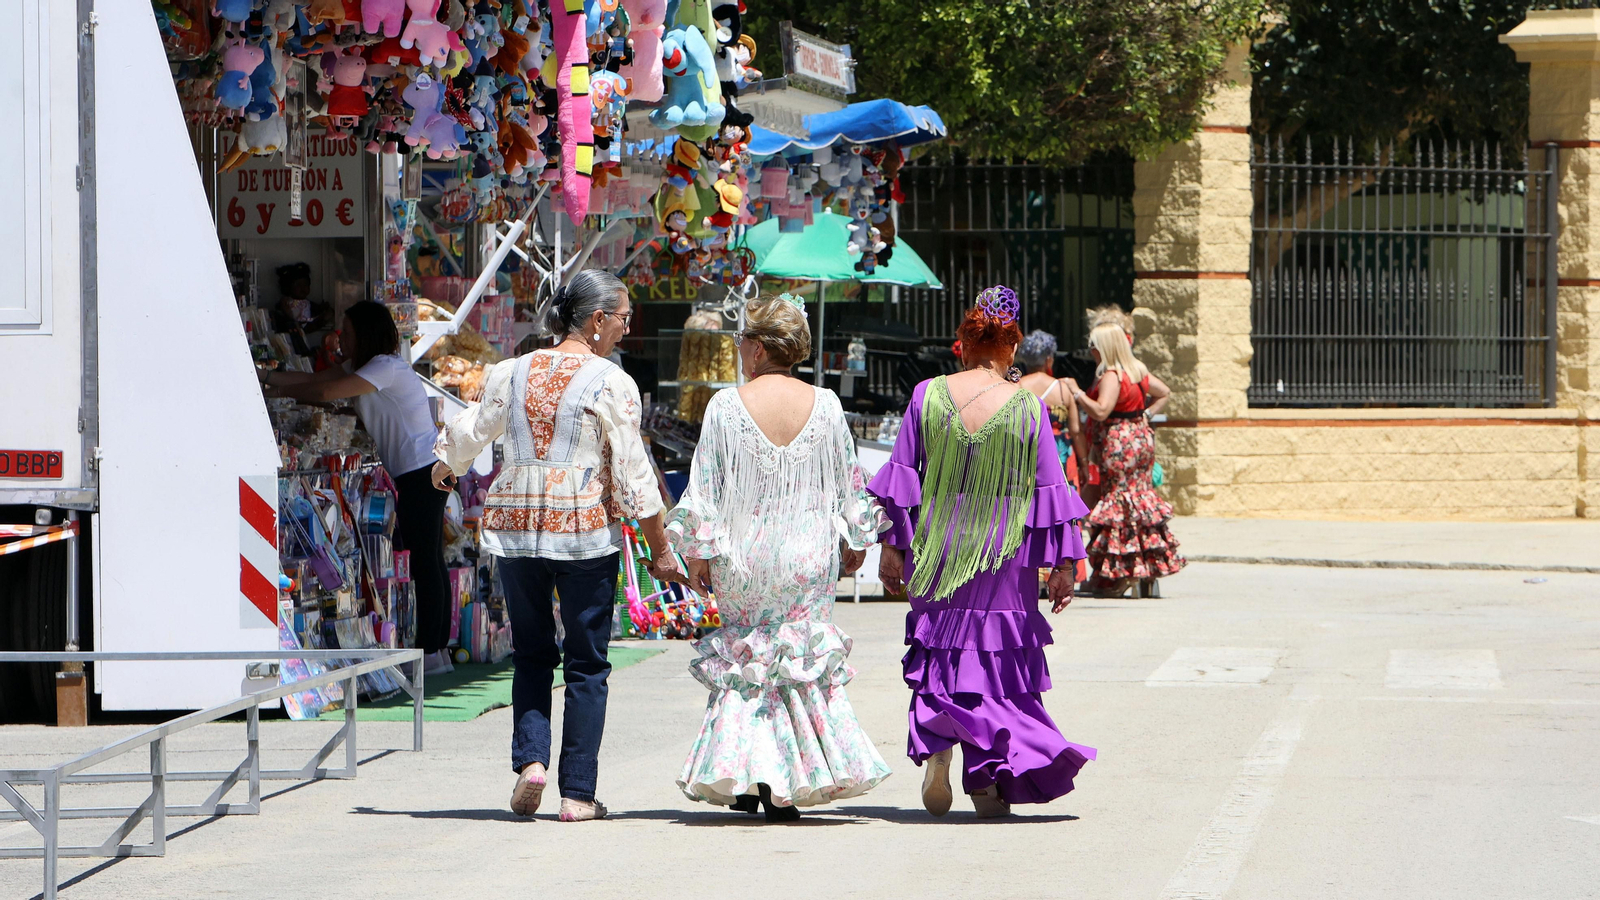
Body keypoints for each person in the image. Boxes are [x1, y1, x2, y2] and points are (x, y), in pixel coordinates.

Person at [432, 270, 683, 823]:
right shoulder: (610, 381)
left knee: (532, 652)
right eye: (621, 318)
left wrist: (445, 465)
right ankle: (576, 793)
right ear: (596, 321)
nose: (624, 328)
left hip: (516, 527)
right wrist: (659, 546)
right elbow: (634, 470)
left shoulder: (512, 370)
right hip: (584, 530)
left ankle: (531, 763)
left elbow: (474, 427)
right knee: (587, 664)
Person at [869, 285, 1096, 819]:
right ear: (1012, 348)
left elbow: (902, 480)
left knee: (942, 658)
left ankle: (940, 752)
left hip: (938, 548)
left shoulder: (927, 395)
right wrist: (1062, 564)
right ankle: (988, 778)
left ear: (963, 343)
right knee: (993, 666)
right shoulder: (1026, 407)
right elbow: (1050, 492)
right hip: (1002, 555)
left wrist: (892, 550)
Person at [667, 295, 893, 823]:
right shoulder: (828, 405)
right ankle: (792, 776)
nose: (741, 348)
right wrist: (857, 540)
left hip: (745, 557)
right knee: (797, 666)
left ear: (761, 347)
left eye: (744, 339)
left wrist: (697, 554)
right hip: (807, 556)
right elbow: (851, 484)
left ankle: (752, 777)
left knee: (749, 665)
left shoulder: (727, 405)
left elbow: (705, 489)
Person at [263, 301, 453, 674]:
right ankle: (436, 650)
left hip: (422, 470)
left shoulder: (384, 367)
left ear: (364, 334)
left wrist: (270, 387)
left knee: (425, 560)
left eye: (347, 333)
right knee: (429, 558)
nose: (340, 340)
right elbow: (312, 382)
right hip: (420, 470)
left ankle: (430, 651)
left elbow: (326, 390)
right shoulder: (365, 368)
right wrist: (266, 381)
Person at [1066, 321, 1184, 596]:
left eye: (1094, 345)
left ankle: (1118, 574)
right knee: (1139, 500)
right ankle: (1144, 570)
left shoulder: (1111, 374)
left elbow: (1101, 410)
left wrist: (1077, 392)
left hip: (1117, 441)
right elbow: (1164, 392)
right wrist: (1146, 414)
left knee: (1118, 503)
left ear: (1105, 347)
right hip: (1140, 438)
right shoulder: (1138, 371)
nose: (1091, 350)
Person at [1016, 329, 1085, 487]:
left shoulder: (1016, 387)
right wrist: (1085, 462)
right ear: (1049, 360)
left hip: (1027, 453)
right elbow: (1075, 430)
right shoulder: (1062, 388)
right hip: (1060, 454)